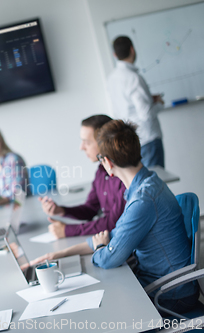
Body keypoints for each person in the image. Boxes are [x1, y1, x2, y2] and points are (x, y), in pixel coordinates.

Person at [32, 120, 198, 313]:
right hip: (164, 285)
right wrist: (59, 254)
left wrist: (102, 247)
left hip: (170, 295)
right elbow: (114, 234)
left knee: (100, 308)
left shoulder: (142, 201)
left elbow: (109, 258)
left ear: (107, 162)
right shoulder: (147, 184)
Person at [39, 115, 126, 239]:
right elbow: (91, 209)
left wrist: (67, 230)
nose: (81, 147)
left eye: (87, 142)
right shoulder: (101, 172)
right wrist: (61, 211)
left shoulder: (123, 176)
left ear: (104, 143)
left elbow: (113, 222)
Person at [107, 36, 165, 168]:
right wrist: (159, 104)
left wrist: (149, 100)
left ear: (114, 55)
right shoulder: (134, 78)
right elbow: (146, 115)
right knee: (155, 184)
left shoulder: (111, 78)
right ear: (132, 50)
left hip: (129, 141)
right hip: (147, 138)